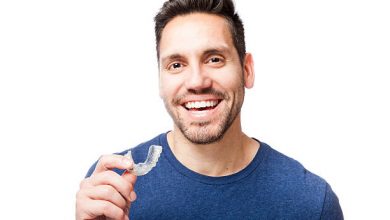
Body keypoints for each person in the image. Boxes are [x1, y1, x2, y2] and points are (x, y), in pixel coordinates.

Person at [76, 0, 343, 219]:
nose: (196, 82)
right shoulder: (111, 187)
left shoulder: (310, 202)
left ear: (246, 70)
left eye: (214, 59)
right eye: (176, 65)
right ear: (160, 79)